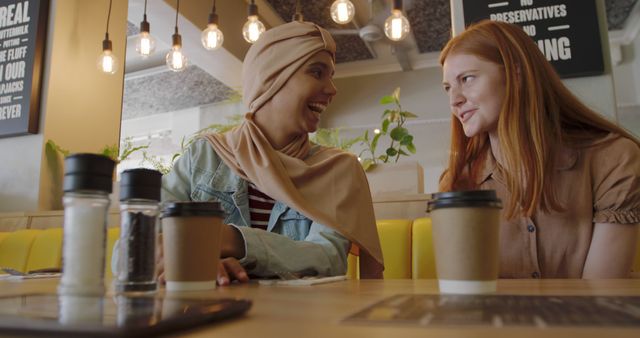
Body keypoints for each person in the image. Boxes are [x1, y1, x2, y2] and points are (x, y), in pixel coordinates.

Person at [160, 21, 384, 285]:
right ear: (271, 78)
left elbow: (327, 258)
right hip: (209, 318)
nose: (332, 89)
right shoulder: (203, 157)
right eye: (317, 72)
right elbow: (134, 246)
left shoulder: (339, 169)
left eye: (330, 75)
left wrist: (233, 242)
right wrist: (197, 260)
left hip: (298, 323)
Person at [439, 20, 640, 279]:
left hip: (587, 318)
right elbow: (468, 297)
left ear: (516, 75)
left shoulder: (615, 159)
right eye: (447, 88)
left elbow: (598, 296)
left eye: (466, 79)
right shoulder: (458, 182)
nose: (454, 100)